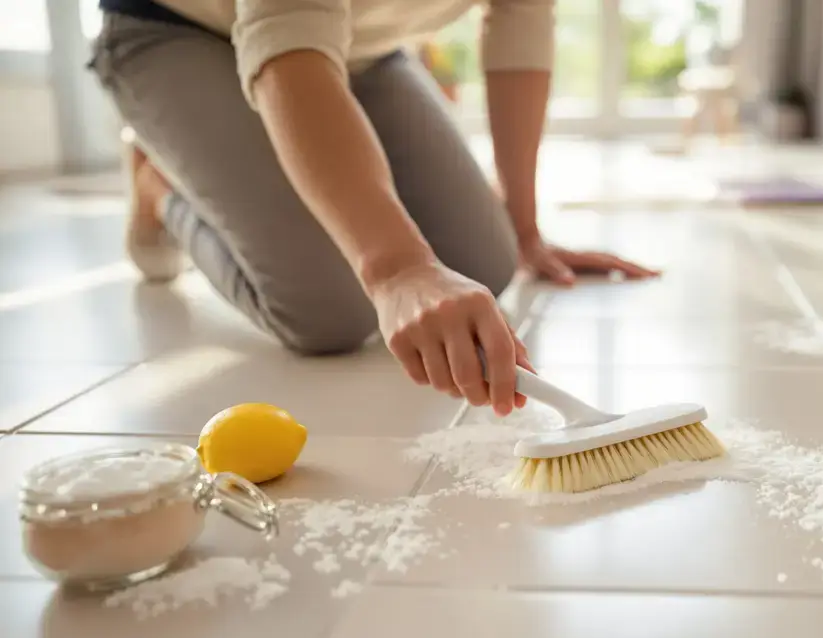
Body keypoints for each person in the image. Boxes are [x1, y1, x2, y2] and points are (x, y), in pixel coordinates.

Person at [90, 0, 658, 419]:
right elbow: (287, 46)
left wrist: (525, 230)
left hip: (359, 45)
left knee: (486, 260)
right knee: (328, 311)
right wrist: (397, 268)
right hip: (178, 30)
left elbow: (521, 22)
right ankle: (158, 184)